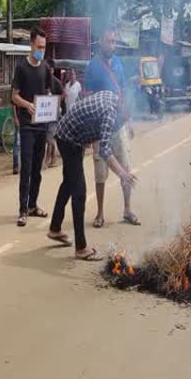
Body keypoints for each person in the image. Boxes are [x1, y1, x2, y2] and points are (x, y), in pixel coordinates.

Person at [47, 90, 138, 260]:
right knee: (79, 192)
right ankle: (81, 248)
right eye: (126, 117)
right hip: (69, 140)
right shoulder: (110, 113)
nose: (124, 122)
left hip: (69, 134)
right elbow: (104, 149)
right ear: (122, 106)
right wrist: (123, 174)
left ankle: (55, 228)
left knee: (68, 183)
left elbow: (90, 117)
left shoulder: (112, 97)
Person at [85, 29, 139, 227]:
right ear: (101, 42)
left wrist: (129, 120)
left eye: (114, 42)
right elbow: (88, 96)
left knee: (126, 167)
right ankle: (99, 213)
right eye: (109, 42)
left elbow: (123, 92)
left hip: (119, 125)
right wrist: (90, 129)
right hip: (100, 128)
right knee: (100, 172)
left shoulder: (118, 63)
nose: (112, 45)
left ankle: (127, 209)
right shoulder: (92, 66)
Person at [12, 28, 51, 227]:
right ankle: (23, 209)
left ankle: (34, 205)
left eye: (44, 48)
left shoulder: (45, 68)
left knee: (37, 169)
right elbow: (14, 96)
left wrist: (51, 106)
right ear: (31, 44)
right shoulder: (21, 67)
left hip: (42, 126)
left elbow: (49, 93)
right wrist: (27, 105)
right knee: (26, 168)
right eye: (39, 47)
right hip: (27, 126)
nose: (41, 51)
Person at [45, 59, 64, 169]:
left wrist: (56, 103)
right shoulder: (42, 80)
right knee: (48, 137)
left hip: (54, 113)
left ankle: (48, 159)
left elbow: (63, 93)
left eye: (49, 69)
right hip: (45, 114)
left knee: (50, 138)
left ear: (52, 70)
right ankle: (53, 159)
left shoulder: (56, 82)